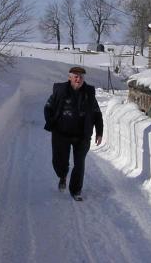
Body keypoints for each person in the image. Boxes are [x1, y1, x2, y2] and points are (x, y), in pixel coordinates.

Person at [43, 66, 103, 201]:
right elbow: (48, 107)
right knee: (59, 162)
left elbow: (97, 114)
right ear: (69, 77)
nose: (78, 79)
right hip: (61, 133)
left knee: (79, 163)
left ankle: (76, 190)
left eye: (81, 77)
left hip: (82, 135)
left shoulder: (89, 93)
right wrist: (51, 122)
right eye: (75, 76)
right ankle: (63, 176)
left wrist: (99, 132)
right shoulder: (60, 91)